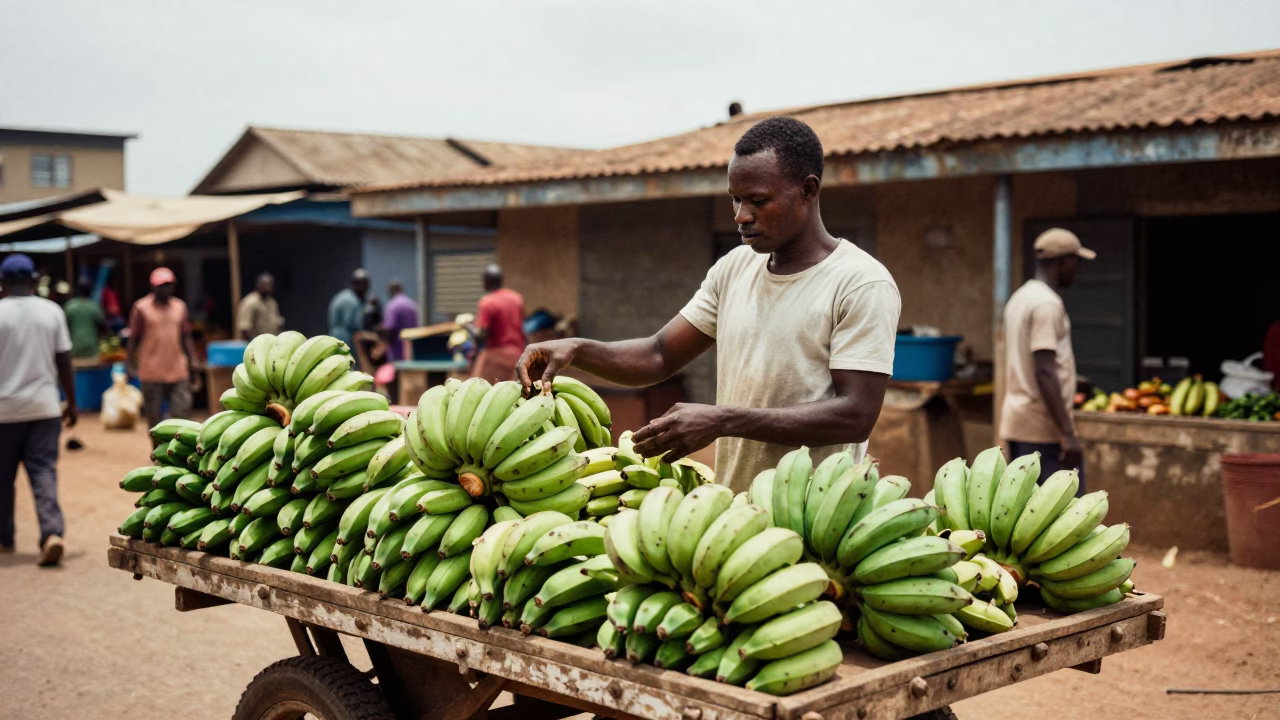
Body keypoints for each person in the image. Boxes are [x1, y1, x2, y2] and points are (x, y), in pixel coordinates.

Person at [516, 117, 901, 490]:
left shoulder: (860, 283)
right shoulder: (734, 268)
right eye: (735, 199)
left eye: (758, 200)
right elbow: (658, 354)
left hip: (817, 513)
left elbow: (855, 415)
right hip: (734, 509)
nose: (741, 215)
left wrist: (722, 420)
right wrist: (577, 350)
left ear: (808, 190)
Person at [1000, 228, 1095, 494]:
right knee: (1065, 517)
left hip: (1019, 422)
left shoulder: (1021, 297)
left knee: (1025, 514)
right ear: (1062, 262)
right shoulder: (1047, 305)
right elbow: (1043, 370)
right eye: (1076, 262)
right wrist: (1067, 434)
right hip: (1043, 431)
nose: (1077, 269)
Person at [0, 254, 76, 566]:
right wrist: (71, 401)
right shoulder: (52, 311)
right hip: (45, 407)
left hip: (3, 412)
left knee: (2, 479)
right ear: (34, 280)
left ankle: (4, 539)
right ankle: (51, 533)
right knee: (43, 471)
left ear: (2, 283)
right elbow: (64, 361)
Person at [128, 267, 195, 430]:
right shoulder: (141, 308)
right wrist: (129, 365)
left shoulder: (180, 307)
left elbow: (185, 336)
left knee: (182, 414)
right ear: (153, 286)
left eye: (168, 285)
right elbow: (133, 338)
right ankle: (159, 454)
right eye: (161, 285)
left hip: (177, 369)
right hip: (151, 371)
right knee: (155, 420)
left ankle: (179, 453)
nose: (165, 289)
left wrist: (193, 359)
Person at [472, 265, 528, 383]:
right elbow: (522, 327)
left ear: (486, 281)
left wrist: (467, 326)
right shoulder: (516, 298)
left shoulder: (487, 302)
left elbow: (482, 336)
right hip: (517, 354)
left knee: (477, 387)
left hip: (495, 355)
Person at [63, 281, 106, 360]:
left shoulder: (70, 306)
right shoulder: (94, 307)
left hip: (74, 349)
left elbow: (63, 327)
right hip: (92, 349)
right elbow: (103, 327)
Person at [328, 268, 370, 347]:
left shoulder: (349, 296)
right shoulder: (350, 301)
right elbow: (352, 324)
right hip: (344, 340)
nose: (366, 287)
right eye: (364, 284)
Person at [237, 272, 284, 340]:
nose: (269, 288)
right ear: (259, 285)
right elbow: (244, 328)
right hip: (256, 343)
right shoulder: (250, 302)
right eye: (266, 285)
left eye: (271, 285)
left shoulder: (272, 302)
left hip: (271, 342)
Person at [381, 279, 419, 364]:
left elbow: (389, 329)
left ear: (391, 290)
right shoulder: (412, 304)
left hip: (397, 351)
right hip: (412, 350)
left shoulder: (392, 305)